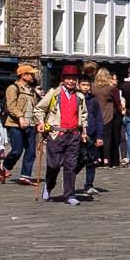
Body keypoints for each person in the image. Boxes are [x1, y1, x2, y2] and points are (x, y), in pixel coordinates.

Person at [38, 65, 92, 203]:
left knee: (71, 166)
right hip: (57, 134)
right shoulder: (54, 94)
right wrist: (40, 122)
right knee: (54, 165)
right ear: (63, 79)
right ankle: (49, 186)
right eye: (68, 78)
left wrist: (83, 131)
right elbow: (39, 109)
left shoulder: (80, 96)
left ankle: (70, 194)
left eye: (74, 79)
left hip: (73, 135)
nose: (71, 81)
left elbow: (84, 115)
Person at [3, 63, 42, 185]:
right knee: (17, 150)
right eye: (31, 74)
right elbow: (11, 105)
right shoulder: (13, 88)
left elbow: (35, 107)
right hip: (16, 124)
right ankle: (4, 165)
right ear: (23, 75)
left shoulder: (32, 90)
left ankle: (25, 176)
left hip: (30, 124)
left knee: (31, 151)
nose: (33, 76)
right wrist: (20, 117)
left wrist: (38, 122)